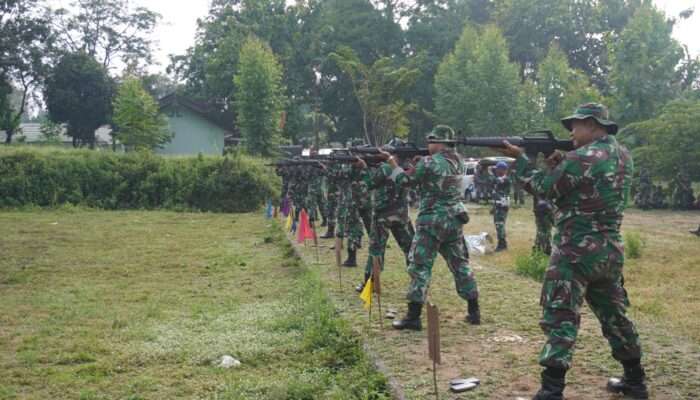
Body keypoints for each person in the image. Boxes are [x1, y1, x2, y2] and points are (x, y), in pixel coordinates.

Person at [498, 103, 648, 400]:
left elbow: (543, 187)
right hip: (608, 250)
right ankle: (636, 381)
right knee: (615, 317)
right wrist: (559, 163)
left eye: (575, 125)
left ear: (592, 124)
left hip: (575, 252)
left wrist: (520, 160)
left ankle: (551, 390)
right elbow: (582, 187)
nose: (570, 131)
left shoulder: (582, 157)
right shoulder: (623, 155)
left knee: (561, 316)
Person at [361, 125, 480, 330]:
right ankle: (474, 310)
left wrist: (391, 163)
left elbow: (405, 181)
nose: (428, 145)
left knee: (419, 266)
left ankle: (413, 316)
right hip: (454, 219)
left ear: (439, 142)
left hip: (432, 222)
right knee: (460, 264)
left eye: (431, 141)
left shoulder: (429, 162)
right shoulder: (458, 161)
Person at [353, 139, 415, 293]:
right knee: (409, 248)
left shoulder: (387, 168)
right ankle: (417, 280)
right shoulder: (407, 167)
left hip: (383, 215)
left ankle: (370, 282)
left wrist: (365, 168)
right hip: (402, 215)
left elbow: (370, 183)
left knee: (376, 249)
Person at [489, 161, 511, 251]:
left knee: (500, 224)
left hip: (502, 204)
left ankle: (502, 244)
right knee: (498, 224)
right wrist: (493, 207)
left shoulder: (505, 179)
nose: (496, 171)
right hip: (498, 204)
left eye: (498, 169)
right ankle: (501, 242)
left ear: (503, 170)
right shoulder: (500, 178)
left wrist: (489, 173)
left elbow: (495, 181)